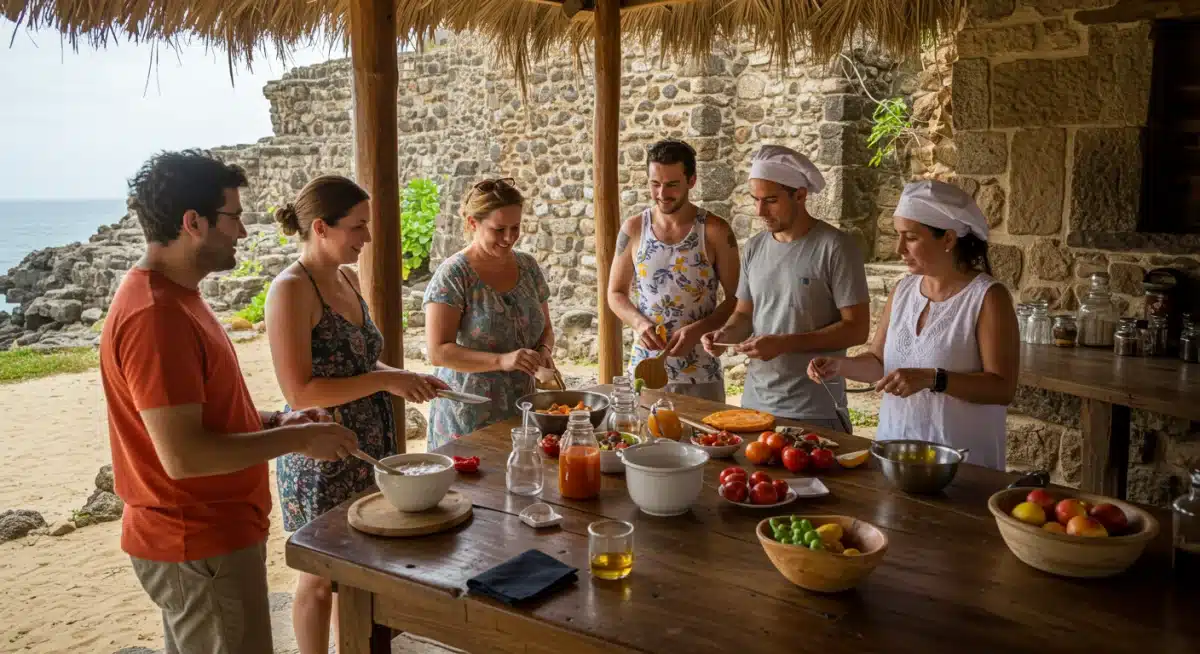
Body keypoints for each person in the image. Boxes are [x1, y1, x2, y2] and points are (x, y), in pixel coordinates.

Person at [100, 150, 359, 654]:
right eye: (234, 217)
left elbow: (204, 418)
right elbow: (185, 456)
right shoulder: (156, 316)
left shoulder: (179, 298)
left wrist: (277, 419)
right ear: (193, 222)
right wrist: (299, 438)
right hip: (196, 540)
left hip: (212, 539)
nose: (242, 232)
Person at [264, 175, 448, 653]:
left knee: (362, 568)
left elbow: (364, 363)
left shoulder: (345, 277)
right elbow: (300, 392)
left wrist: (404, 377)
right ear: (321, 227)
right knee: (319, 577)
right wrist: (386, 381)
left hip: (370, 447)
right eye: (358, 227)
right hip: (321, 453)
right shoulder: (290, 290)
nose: (367, 238)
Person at [807, 180, 1019, 469]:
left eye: (910, 237)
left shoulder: (987, 298)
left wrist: (933, 378)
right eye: (898, 236)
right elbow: (880, 362)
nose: (898, 249)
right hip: (895, 451)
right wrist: (839, 366)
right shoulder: (903, 291)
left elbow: (1002, 388)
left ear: (947, 239)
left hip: (960, 461)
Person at [702, 145, 870, 432]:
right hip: (754, 404)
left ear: (800, 195)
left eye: (770, 200)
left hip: (815, 408)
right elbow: (744, 314)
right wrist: (724, 335)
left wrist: (784, 343)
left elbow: (857, 329)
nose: (759, 211)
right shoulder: (755, 247)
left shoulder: (836, 248)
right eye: (755, 199)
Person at [423, 177, 554, 448]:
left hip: (523, 411)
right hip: (468, 415)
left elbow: (546, 329)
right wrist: (503, 361)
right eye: (499, 229)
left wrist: (545, 351)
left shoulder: (528, 266)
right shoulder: (453, 274)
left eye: (515, 227)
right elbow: (438, 352)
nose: (509, 238)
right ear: (473, 223)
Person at [607, 138, 740, 402]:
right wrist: (639, 324)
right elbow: (615, 293)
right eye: (654, 184)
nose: (662, 194)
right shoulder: (633, 229)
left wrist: (700, 330)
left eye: (672, 185)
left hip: (702, 373)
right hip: (645, 370)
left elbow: (738, 297)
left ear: (691, 181)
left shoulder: (715, 230)